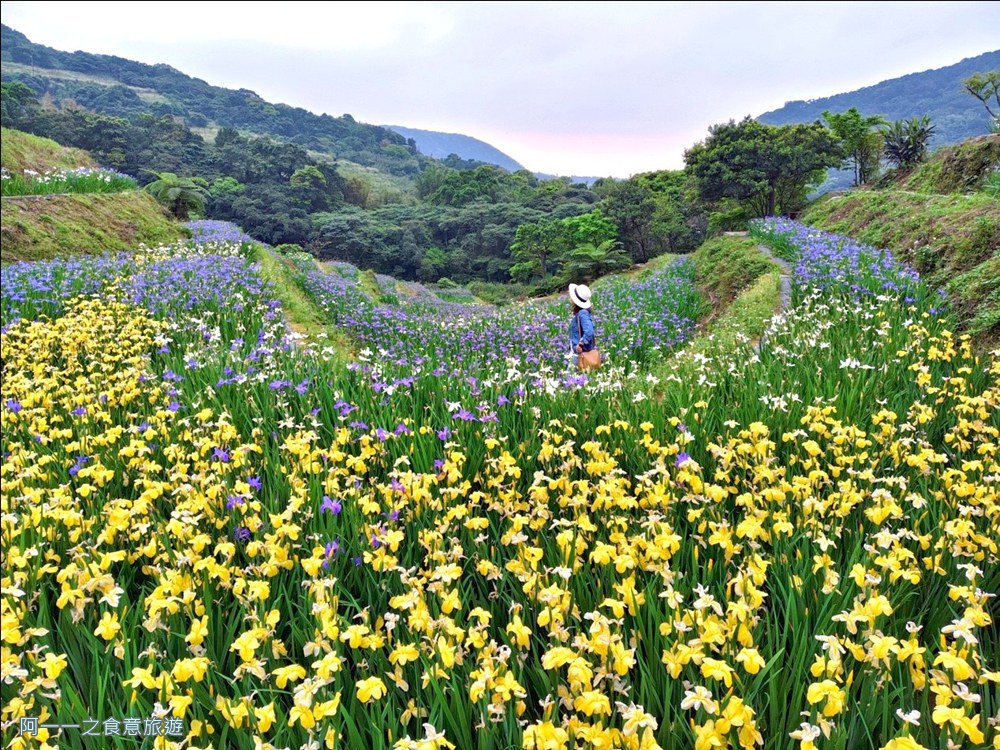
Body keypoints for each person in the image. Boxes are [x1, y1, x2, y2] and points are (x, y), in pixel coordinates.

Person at [568, 283, 598, 368]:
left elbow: (589, 331)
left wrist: (581, 344)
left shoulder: (582, 313)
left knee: (571, 375)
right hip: (578, 352)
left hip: (580, 353)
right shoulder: (581, 313)